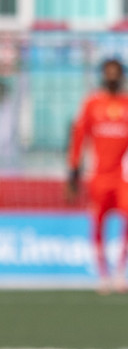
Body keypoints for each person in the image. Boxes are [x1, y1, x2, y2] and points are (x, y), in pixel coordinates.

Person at [67, 58, 128, 290]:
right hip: (99, 176)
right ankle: (102, 274)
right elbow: (79, 138)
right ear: (103, 75)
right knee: (98, 223)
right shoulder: (92, 103)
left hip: (123, 178)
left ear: (121, 75)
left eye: (116, 72)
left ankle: (121, 272)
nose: (112, 76)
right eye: (108, 72)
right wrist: (73, 171)